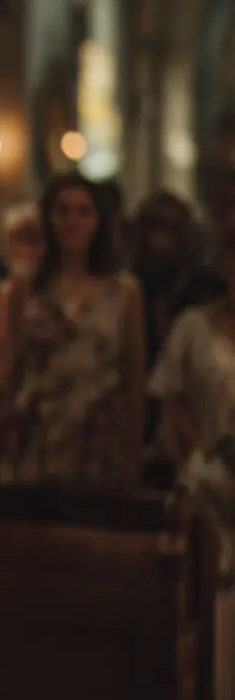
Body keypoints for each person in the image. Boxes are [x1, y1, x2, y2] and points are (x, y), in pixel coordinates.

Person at [0, 172, 145, 489]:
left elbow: (133, 378)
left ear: (98, 221)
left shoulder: (123, 292)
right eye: (63, 210)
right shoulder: (25, 287)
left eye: (83, 212)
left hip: (97, 438)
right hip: (35, 433)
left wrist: (132, 454)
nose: (72, 221)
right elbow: (6, 361)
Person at [148, 203, 235, 700]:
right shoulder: (195, 325)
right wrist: (205, 456)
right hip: (209, 480)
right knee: (209, 606)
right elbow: (171, 395)